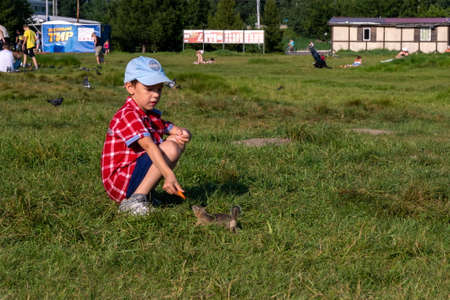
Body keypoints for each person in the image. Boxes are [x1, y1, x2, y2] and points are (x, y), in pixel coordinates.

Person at [101, 56, 191, 215]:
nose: (156, 95)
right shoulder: (128, 114)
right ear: (130, 87)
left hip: (131, 174)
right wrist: (168, 174)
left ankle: (145, 194)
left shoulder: (148, 114)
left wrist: (182, 133)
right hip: (120, 181)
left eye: (159, 89)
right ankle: (134, 201)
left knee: (176, 142)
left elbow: (167, 127)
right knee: (170, 147)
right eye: (149, 89)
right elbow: (148, 145)